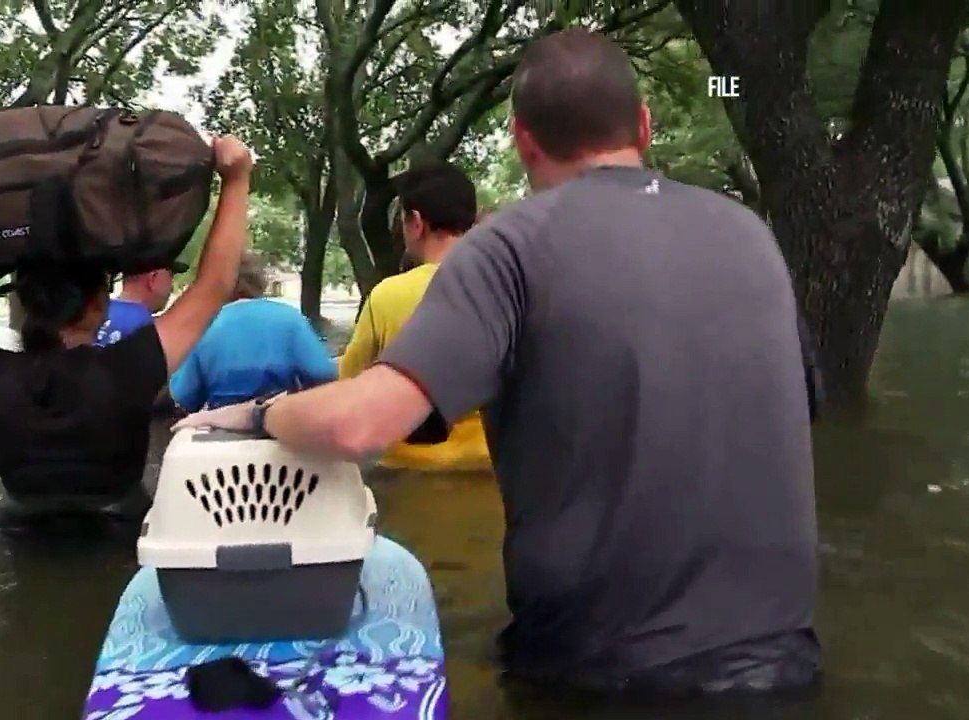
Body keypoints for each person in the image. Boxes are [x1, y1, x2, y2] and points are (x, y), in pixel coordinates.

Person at [173, 29, 823, 700]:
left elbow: (356, 427)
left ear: (522, 139)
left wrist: (257, 414)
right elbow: (795, 411)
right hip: (788, 668)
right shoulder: (753, 238)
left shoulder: (509, 246)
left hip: (597, 676)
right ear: (645, 126)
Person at [0, 135, 254, 536]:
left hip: (18, 542)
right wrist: (236, 179)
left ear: (25, 303)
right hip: (117, 539)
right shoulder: (132, 366)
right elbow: (215, 284)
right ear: (99, 300)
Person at [338, 162, 490, 471]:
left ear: (417, 222)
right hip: (491, 474)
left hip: (408, 476)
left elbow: (348, 387)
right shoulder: (508, 288)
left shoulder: (388, 296)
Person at [169, 252, 336, 411]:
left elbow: (184, 395)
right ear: (259, 281)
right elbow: (322, 373)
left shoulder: (204, 325)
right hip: (278, 421)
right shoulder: (290, 318)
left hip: (222, 423)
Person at [94, 262, 187, 347]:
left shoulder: (94, 312)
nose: (172, 287)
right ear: (153, 278)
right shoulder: (149, 329)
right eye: (171, 276)